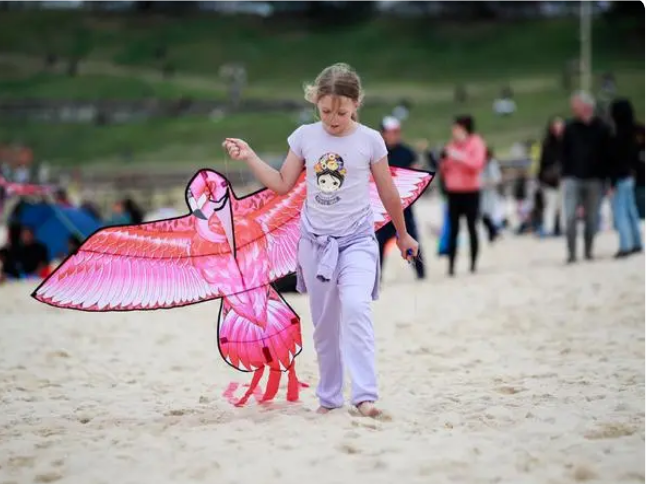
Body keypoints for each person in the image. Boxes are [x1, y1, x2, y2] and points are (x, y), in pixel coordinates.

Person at [222, 63, 419, 418]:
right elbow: (283, 183)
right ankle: (329, 398)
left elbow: (389, 193)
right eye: (326, 110)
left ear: (356, 104)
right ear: (316, 103)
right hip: (314, 244)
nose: (332, 119)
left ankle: (364, 396)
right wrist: (250, 156)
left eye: (341, 112)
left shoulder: (371, 140)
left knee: (357, 308)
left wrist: (403, 234)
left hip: (358, 240)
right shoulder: (304, 137)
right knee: (325, 326)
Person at [561, 91, 612, 263]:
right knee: (569, 217)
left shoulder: (602, 128)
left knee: (592, 218)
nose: (572, 109)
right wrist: (564, 174)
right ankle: (571, 253)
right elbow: (564, 152)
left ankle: (588, 249)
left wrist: (606, 178)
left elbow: (607, 155)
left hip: (595, 178)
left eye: (575, 106)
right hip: (572, 178)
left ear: (586, 107)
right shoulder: (569, 128)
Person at [374, 116, 425, 280]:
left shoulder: (406, 152)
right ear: (383, 133)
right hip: (383, 208)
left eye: (397, 131)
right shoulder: (377, 154)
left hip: (404, 207)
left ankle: (421, 274)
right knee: (379, 244)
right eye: (391, 132)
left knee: (411, 239)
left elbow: (416, 177)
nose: (395, 135)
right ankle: (377, 278)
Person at [440, 115, 487, 276]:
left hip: (471, 191)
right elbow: (445, 168)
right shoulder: (451, 145)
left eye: (455, 128)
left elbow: (477, 165)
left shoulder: (476, 143)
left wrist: (458, 156)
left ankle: (473, 264)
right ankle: (451, 266)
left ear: (463, 128)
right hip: (453, 192)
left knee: (472, 227)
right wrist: (444, 159)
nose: (453, 131)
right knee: (453, 229)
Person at [608, 98, 643, 257]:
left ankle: (625, 245)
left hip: (621, 176)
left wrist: (612, 181)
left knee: (620, 211)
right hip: (632, 175)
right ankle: (637, 241)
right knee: (631, 210)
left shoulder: (617, 135)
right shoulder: (638, 131)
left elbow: (615, 160)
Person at [538, 116, 565, 237]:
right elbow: (543, 162)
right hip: (549, 180)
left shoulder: (567, 142)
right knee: (550, 205)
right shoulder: (547, 143)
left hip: (564, 177)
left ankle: (564, 227)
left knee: (563, 205)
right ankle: (548, 228)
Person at [480, 147, 502, 242]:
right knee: (483, 214)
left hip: (489, 192)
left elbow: (497, 179)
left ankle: (493, 232)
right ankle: (493, 232)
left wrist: (485, 183)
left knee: (487, 214)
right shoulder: (482, 163)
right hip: (482, 192)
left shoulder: (492, 164)